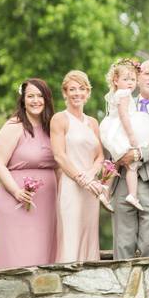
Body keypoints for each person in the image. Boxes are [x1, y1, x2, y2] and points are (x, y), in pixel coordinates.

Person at [0, 79, 59, 269]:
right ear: (23, 100)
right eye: (30, 96)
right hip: (17, 201)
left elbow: (60, 165)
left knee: (45, 258)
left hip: (48, 205)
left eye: (39, 96)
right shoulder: (14, 126)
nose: (35, 100)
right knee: (19, 259)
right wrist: (17, 192)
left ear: (47, 99)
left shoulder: (51, 127)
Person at [110, 58, 149, 260]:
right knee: (122, 242)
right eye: (148, 73)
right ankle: (121, 288)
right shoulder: (123, 101)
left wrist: (138, 154)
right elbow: (111, 130)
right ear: (138, 77)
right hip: (123, 180)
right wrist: (118, 156)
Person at [50, 70, 105, 262]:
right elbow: (59, 156)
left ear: (88, 93)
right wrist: (81, 179)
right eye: (72, 89)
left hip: (91, 188)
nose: (77, 93)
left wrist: (90, 176)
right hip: (70, 186)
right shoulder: (59, 119)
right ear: (65, 93)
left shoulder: (93, 122)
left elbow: (100, 156)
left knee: (89, 233)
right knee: (70, 233)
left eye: (82, 89)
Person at [99, 59, 149, 211]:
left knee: (116, 162)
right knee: (131, 165)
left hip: (112, 128)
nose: (130, 83)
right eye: (126, 79)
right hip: (120, 130)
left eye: (133, 79)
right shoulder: (124, 94)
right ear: (116, 80)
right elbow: (124, 116)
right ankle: (132, 195)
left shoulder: (116, 93)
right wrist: (132, 136)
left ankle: (105, 191)